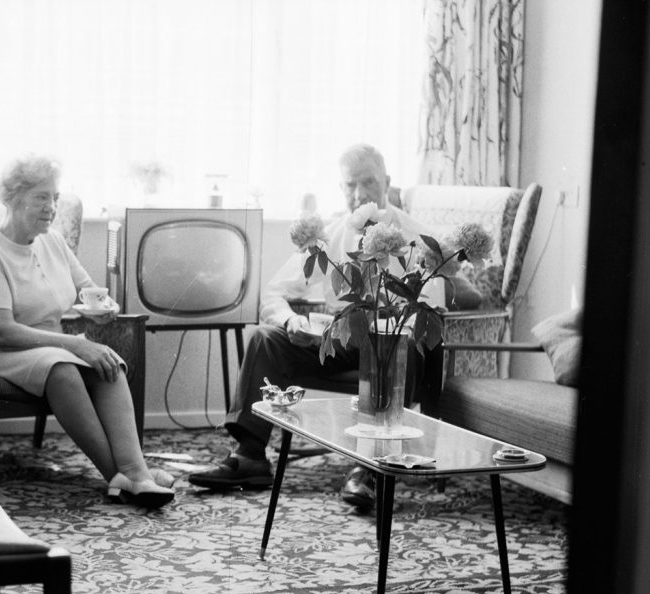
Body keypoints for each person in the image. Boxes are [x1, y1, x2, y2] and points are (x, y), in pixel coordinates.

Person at [188, 143, 479, 511]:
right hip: (339, 340)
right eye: (350, 185)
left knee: (389, 344)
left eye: (369, 182)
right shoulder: (330, 236)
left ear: (387, 182)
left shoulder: (419, 237)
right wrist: (292, 320)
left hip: (396, 348)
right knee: (265, 338)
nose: (359, 194)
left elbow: (433, 308)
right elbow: (273, 293)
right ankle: (249, 456)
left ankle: (369, 469)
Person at [0, 154, 175, 507]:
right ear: (14, 199)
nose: (52, 207)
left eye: (55, 198)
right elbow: (0, 330)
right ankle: (128, 476)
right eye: (41, 197)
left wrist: (103, 308)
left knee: (107, 362)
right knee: (63, 369)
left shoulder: (52, 240)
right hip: (0, 354)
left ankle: (134, 473)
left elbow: (87, 288)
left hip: (51, 346)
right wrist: (76, 345)